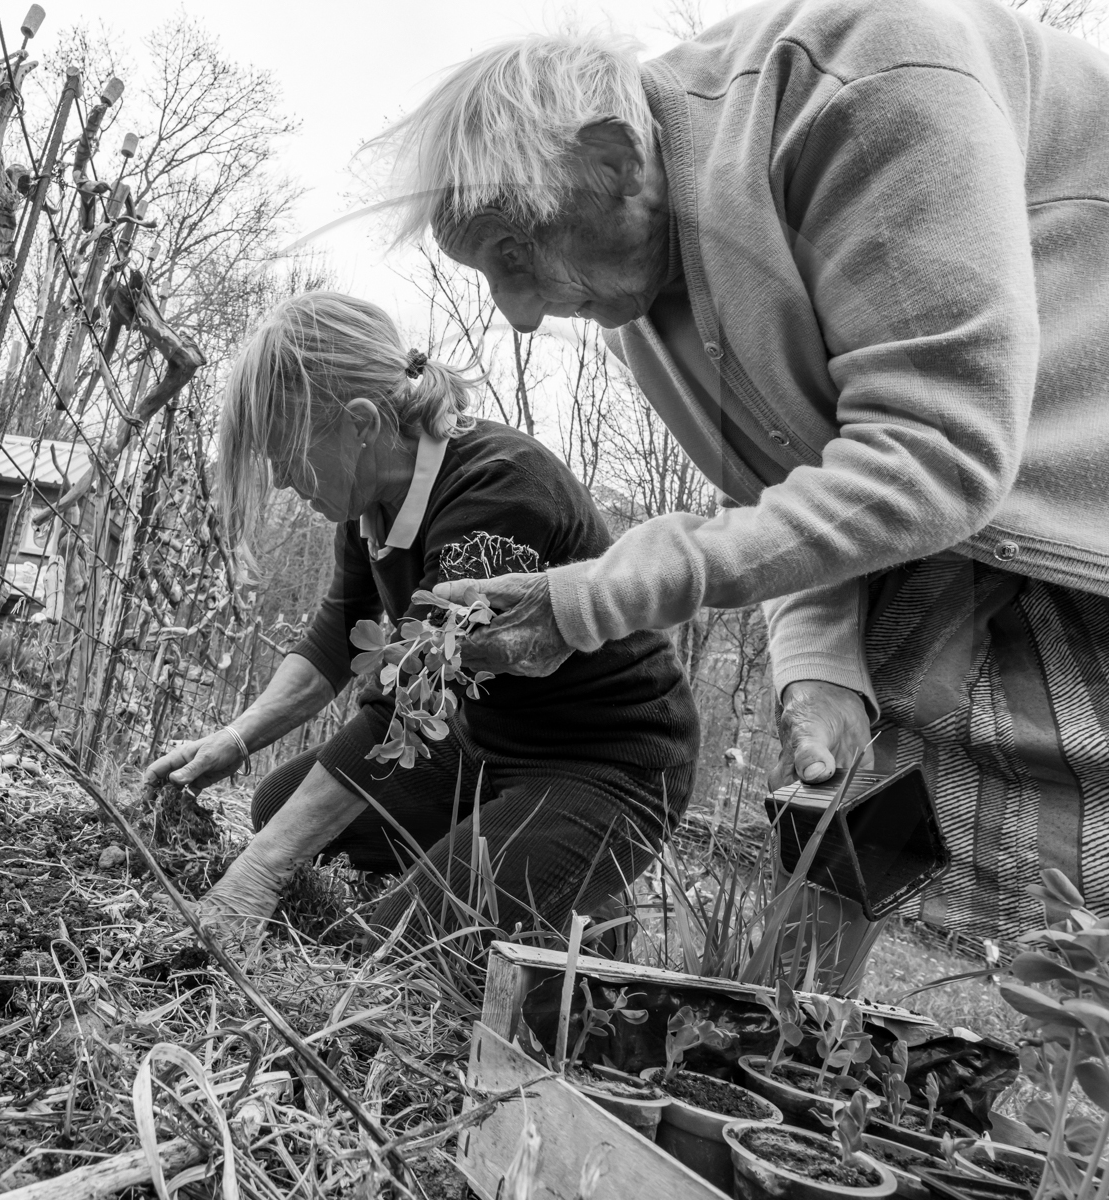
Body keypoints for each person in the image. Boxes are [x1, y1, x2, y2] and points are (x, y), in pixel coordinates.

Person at [371, 0, 1109, 948]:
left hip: (1063, 496)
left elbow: (937, 451)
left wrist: (586, 602)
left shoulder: (869, 79)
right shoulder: (644, 305)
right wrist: (819, 668)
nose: (516, 315)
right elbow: (785, 493)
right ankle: (811, 1082)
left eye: (519, 255)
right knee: (838, 842)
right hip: (958, 512)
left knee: (1039, 927)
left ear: (617, 162)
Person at [143, 291, 699, 945]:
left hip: (606, 762)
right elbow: (337, 632)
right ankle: (504, 862)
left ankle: (581, 915)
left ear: (359, 423)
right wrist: (236, 740)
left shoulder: (498, 491)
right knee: (277, 805)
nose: (286, 481)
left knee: (412, 939)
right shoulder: (370, 498)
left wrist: (257, 874)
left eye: (286, 457)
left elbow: (408, 703)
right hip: (484, 745)